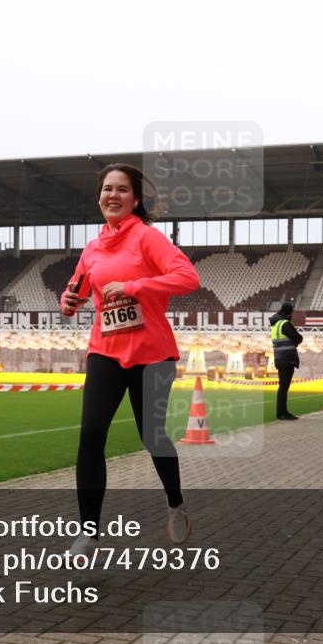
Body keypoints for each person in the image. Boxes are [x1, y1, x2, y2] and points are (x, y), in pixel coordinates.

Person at [60, 163, 200, 555]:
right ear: (99, 197)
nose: (113, 195)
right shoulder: (92, 249)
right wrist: (68, 302)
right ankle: (88, 532)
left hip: (151, 355)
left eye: (122, 190)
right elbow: (77, 290)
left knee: (152, 437)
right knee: (90, 436)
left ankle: (175, 504)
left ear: (135, 199)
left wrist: (136, 285)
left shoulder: (147, 238)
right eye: (107, 189)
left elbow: (188, 278)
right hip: (105, 351)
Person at [269, 302, 303, 420]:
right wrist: (294, 342)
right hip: (287, 359)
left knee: (282, 387)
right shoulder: (285, 324)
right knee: (284, 388)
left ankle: (282, 412)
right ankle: (282, 413)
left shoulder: (275, 325)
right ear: (289, 313)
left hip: (279, 358)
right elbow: (299, 338)